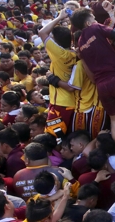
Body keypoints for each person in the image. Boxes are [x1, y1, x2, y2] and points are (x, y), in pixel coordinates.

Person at [71, 8, 115, 160]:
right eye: (93, 18)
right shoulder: (95, 27)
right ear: (88, 22)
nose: (96, 20)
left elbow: (90, 73)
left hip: (101, 85)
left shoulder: (81, 43)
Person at [38, 8, 77, 140]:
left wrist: (59, 17)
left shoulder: (59, 54)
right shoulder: (76, 53)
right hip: (74, 102)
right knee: (66, 138)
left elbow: (42, 32)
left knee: (53, 138)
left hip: (60, 103)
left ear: (55, 41)